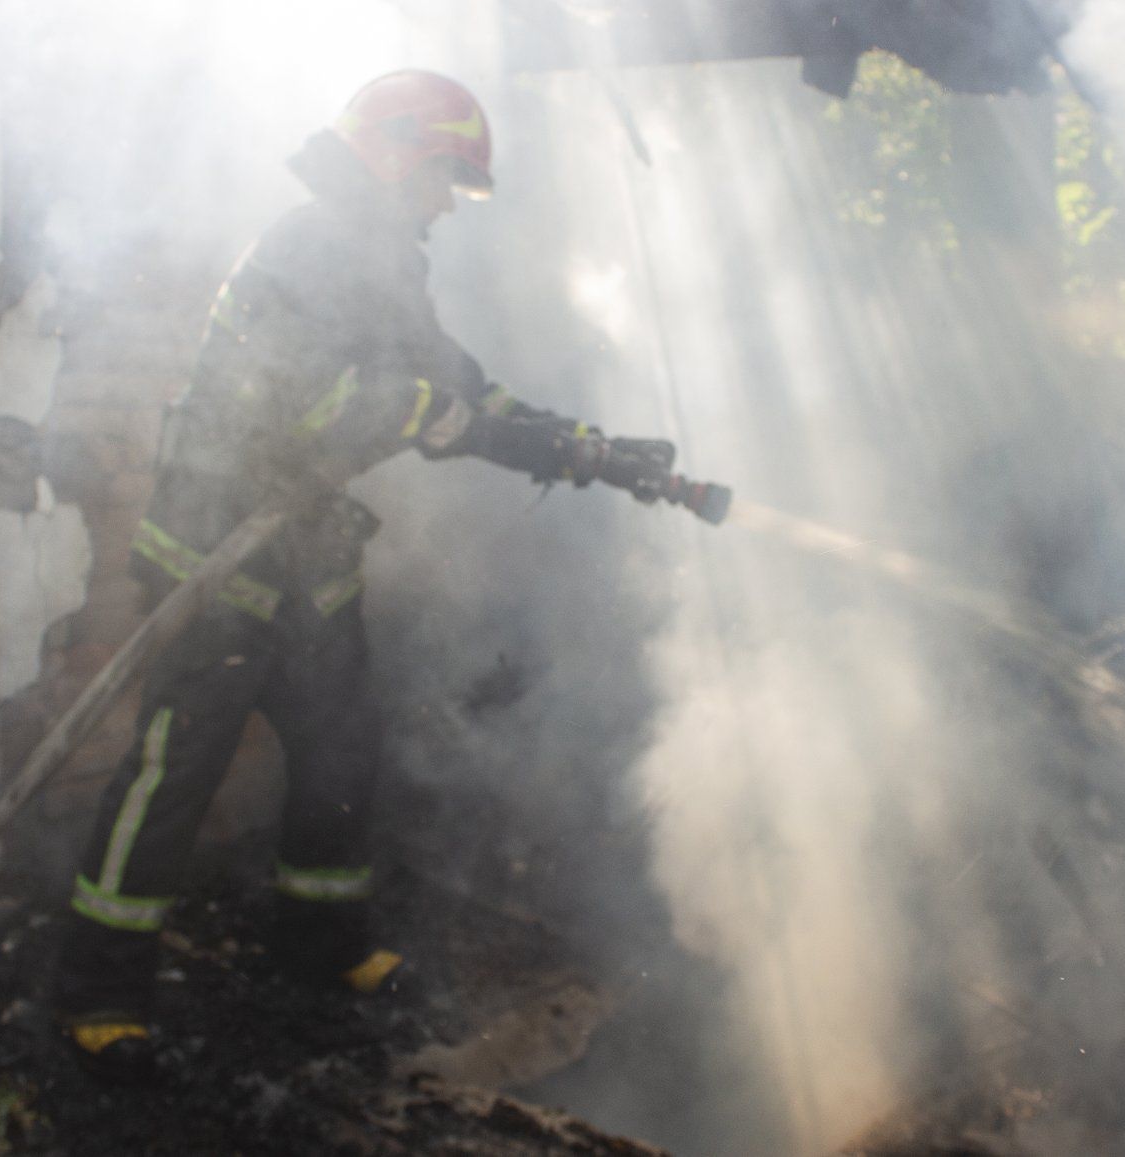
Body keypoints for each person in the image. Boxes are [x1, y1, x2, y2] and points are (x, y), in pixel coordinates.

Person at [54, 70, 705, 1079]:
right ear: (396, 155)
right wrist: (422, 414)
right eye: (444, 178)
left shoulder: (382, 259)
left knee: (342, 753)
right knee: (173, 774)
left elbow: (454, 387)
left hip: (309, 557)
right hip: (220, 556)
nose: (448, 203)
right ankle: (99, 989)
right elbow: (302, 402)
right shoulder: (307, 247)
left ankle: (319, 946)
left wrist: (582, 448)